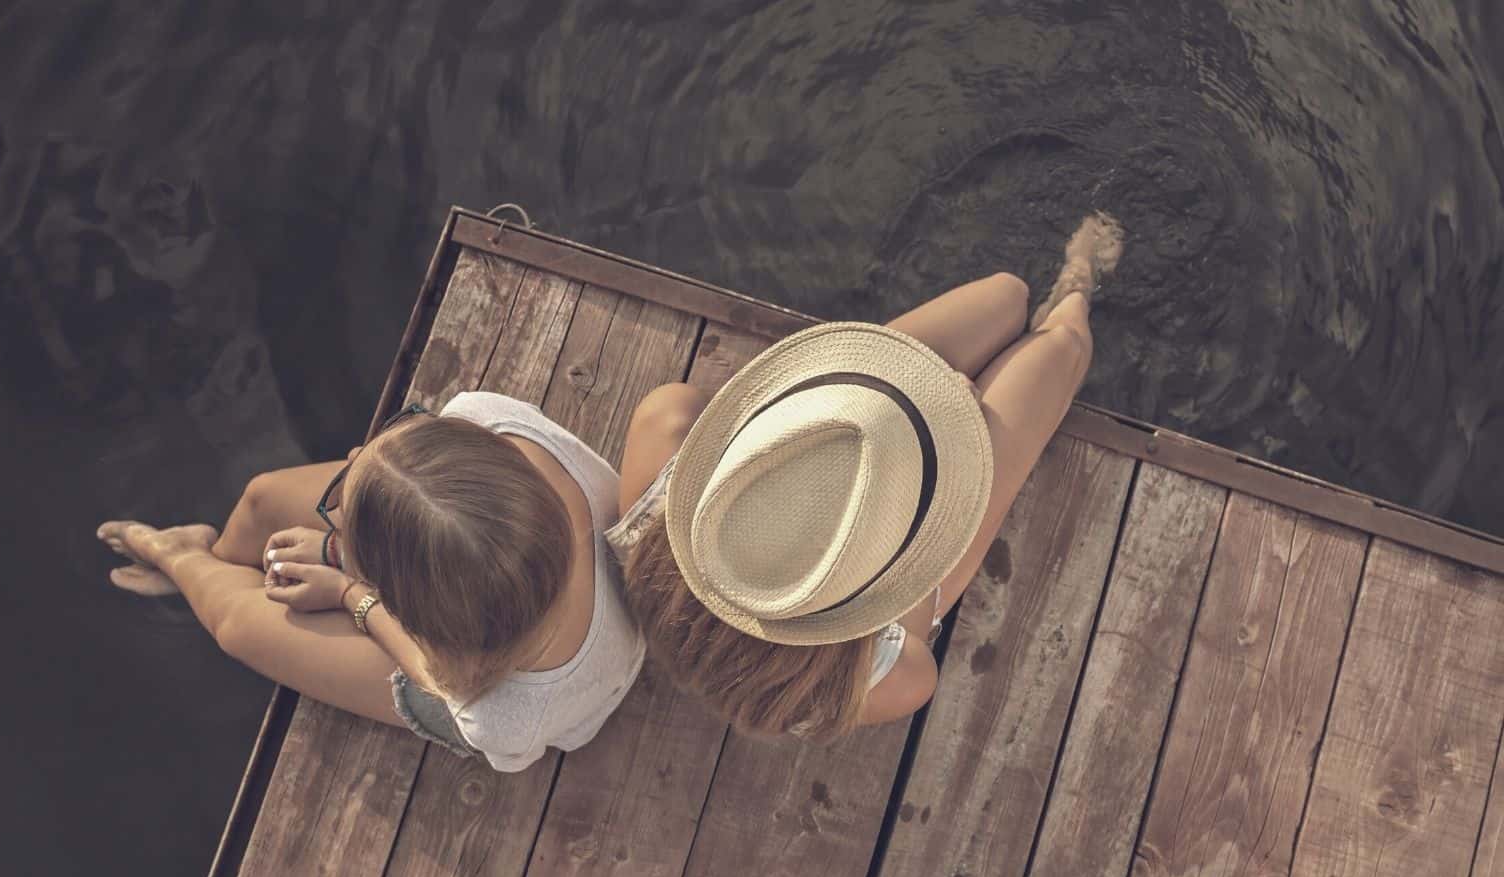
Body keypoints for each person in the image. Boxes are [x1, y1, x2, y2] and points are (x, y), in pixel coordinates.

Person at [606, 213, 1124, 738]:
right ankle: (1076, 286)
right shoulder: (861, 676)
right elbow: (914, 655)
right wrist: (940, 454)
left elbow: (681, 410)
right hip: (868, 479)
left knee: (1007, 299)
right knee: (1059, 347)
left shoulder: (659, 497)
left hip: (835, 439)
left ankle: (1039, 323)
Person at [96, 391, 646, 773]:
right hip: (479, 569)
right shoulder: (493, 423)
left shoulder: (501, 718)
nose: (356, 452)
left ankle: (181, 557)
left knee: (238, 626)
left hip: (524, 681)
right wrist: (343, 546)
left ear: (409, 610)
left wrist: (350, 595)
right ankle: (219, 552)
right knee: (264, 497)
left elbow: (441, 677)